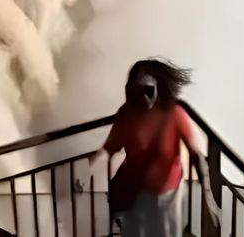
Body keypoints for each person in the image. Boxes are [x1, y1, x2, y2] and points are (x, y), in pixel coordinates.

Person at [86, 59, 220, 237]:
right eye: (139, 90)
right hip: (137, 196)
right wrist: (86, 170)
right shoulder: (127, 115)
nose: (145, 96)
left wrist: (209, 198)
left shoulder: (174, 113)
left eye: (149, 90)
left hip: (169, 197)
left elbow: (197, 156)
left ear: (159, 87)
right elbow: (108, 149)